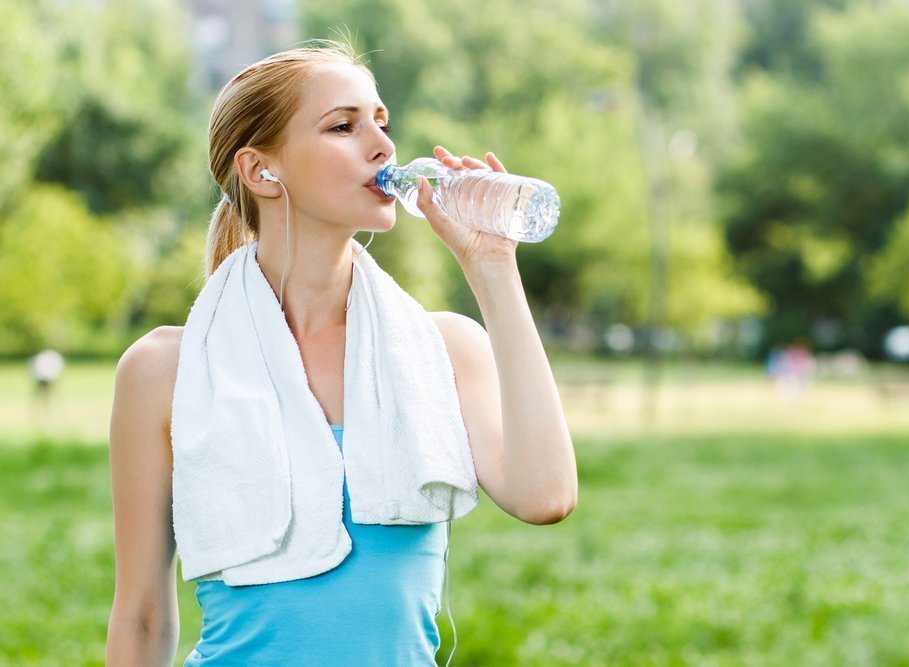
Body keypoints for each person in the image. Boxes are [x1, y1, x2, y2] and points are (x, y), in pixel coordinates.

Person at [106, 42, 577, 666]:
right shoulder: (165, 370)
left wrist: (492, 267)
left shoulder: (445, 348)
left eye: (381, 122)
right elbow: (141, 617)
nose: (383, 147)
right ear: (261, 171)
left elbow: (545, 496)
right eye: (343, 126)